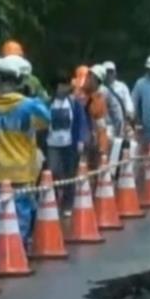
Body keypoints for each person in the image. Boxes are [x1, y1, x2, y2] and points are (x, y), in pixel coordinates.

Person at [0, 55, 50, 261]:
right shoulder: (28, 106)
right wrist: (35, 98)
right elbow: (46, 121)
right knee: (20, 215)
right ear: (20, 81)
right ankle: (16, 255)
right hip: (20, 170)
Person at [46, 70, 88, 214]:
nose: (65, 87)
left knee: (69, 174)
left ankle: (67, 204)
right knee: (53, 172)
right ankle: (53, 199)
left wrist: (81, 140)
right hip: (52, 144)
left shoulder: (73, 102)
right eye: (62, 84)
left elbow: (81, 122)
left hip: (69, 143)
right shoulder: (47, 102)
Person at [77, 65, 111, 170]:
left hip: (86, 144)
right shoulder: (75, 92)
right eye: (88, 75)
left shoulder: (98, 102)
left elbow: (102, 128)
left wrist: (102, 149)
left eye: (90, 76)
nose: (88, 78)